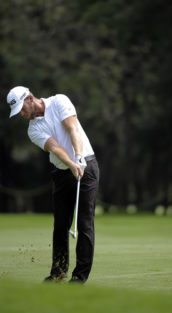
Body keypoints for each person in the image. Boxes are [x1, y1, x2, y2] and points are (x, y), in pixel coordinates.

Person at [6, 86, 99, 283]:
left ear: (30, 98)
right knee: (60, 226)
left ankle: (79, 277)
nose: (22, 114)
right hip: (62, 172)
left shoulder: (59, 101)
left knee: (84, 223)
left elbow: (72, 127)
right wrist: (72, 164)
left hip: (86, 166)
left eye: (22, 109)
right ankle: (58, 272)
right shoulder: (33, 130)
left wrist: (79, 157)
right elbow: (55, 148)